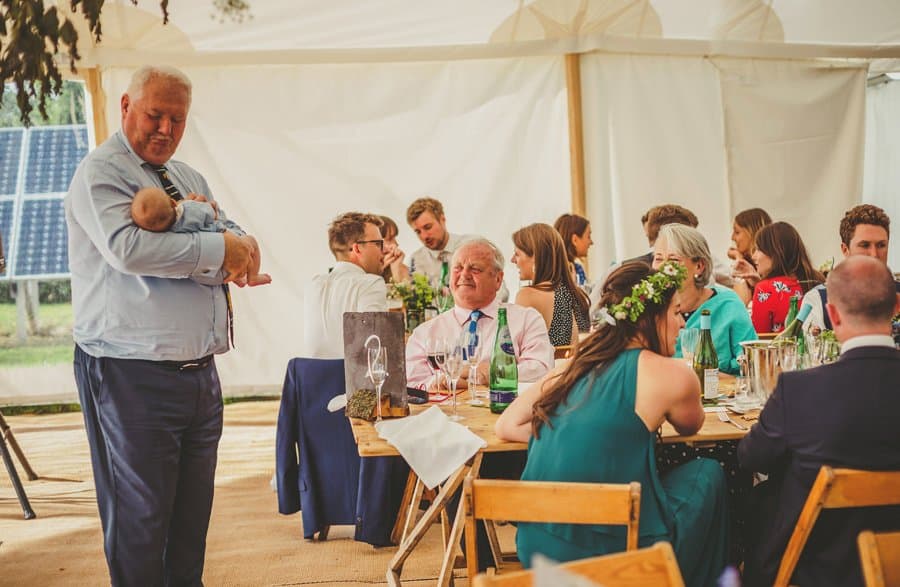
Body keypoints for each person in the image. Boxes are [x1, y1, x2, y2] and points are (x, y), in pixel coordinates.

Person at [65, 65, 260, 586]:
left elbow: (233, 228)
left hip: (198, 374)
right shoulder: (100, 173)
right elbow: (131, 250)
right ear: (125, 106)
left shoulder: (188, 176)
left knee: (191, 520)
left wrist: (234, 243)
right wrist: (223, 249)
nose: (166, 129)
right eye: (155, 114)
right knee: (141, 521)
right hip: (131, 374)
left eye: (178, 118)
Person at [496, 262, 729, 587]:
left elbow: (506, 425)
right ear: (652, 315)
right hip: (617, 552)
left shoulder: (573, 366)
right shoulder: (673, 374)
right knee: (708, 472)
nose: (681, 323)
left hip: (536, 546)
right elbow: (692, 426)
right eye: (676, 312)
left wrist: (569, 430)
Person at [738, 255, 900, 587]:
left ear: (833, 314)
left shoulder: (799, 389)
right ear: (896, 306)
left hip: (814, 566)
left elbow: (751, 458)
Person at [405, 238, 553, 389]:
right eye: (458, 268)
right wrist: (436, 383)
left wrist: (491, 372)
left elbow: (541, 368)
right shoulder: (424, 334)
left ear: (498, 279)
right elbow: (411, 385)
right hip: (445, 412)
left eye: (475, 269)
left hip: (505, 410)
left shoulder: (526, 320)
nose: (464, 275)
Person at [652, 223, 756, 374]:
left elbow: (750, 361)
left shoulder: (728, 305)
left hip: (722, 395)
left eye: (674, 260)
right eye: (658, 259)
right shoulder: (651, 308)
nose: (663, 267)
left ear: (699, 266)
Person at [131, 186, 271, 286]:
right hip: (227, 247)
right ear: (173, 202)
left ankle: (239, 277)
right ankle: (253, 276)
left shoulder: (166, 236)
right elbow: (212, 212)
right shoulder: (188, 209)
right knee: (250, 241)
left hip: (206, 277)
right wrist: (205, 206)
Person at [303, 212, 388, 358]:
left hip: (310, 378)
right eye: (378, 243)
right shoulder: (371, 283)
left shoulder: (314, 284)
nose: (384, 250)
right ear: (357, 249)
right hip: (350, 379)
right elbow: (375, 345)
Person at [801, 204, 898, 333]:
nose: (874, 254)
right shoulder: (818, 299)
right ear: (845, 249)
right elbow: (813, 350)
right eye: (865, 245)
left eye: (881, 245)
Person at [511, 223, 590, 347]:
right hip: (570, 365)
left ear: (535, 257)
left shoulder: (527, 296)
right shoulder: (574, 294)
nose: (512, 260)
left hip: (544, 366)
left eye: (517, 254)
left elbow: (512, 350)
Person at [743, 222, 824, 333]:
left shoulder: (764, 289)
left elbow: (759, 338)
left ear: (775, 252)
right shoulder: (818, 279)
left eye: (758, 249)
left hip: (782, 350)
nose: (753, 256)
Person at [728, 208, 772, 304]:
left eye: (737, 232)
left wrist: (739, 258)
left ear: (752, 232)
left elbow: (740, 304)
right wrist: (739, 258)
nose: (732, 237)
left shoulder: (769, 265)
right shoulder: (748, 262)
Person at [553, 213, 593, 288]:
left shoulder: (577, 268)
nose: (591, 242)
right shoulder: (557, 273)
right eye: (588, 236)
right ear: (575, 240)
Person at [377, 215, 410, 283]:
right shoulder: (360, 273)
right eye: (390, 239)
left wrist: (396, 270)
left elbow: (400, 293)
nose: (396, 244)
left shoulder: (404, 270)